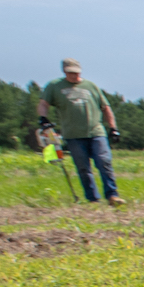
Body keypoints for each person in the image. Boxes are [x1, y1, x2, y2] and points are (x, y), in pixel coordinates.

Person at [37, 59, 123, 206]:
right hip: (73, 135)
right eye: (70, 72)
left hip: (96, 132)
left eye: (76, 72)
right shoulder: (54, 86)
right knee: (83, 167)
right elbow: (43, 104)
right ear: (64, 72)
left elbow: (106, 107)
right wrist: (43, 118)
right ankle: (93, 199)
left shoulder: (91, 86)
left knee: (104, 162)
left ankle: (112, 195)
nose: (74, 75)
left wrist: (113, 128)